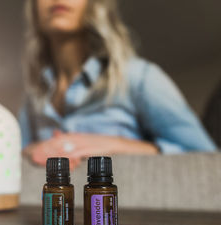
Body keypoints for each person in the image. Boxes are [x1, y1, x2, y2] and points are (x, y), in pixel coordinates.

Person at [19, 0, 216, 169]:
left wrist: (117, 145)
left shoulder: (139, 77)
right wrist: (32, 150)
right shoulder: (33, 98)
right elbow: (14, 158)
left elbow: (206, 157)